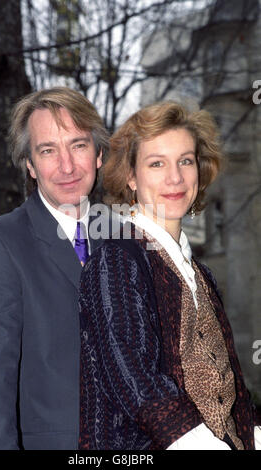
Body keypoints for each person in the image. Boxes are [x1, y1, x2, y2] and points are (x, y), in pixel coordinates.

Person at [78, 101, 261, 450]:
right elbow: (136, 382)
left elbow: (231, 388)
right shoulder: (117, 258)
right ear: (131, 176)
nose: (175, 177)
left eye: (186, 161)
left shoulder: (199, 272)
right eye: (157, 163)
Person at [0, 86, 109, 450]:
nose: (67, 166)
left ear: (99, 154)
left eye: (78, 145)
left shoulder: (129, 239)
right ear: (29, 165)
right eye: (47, 150)